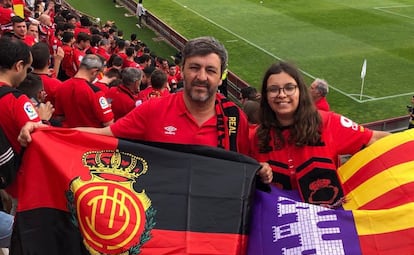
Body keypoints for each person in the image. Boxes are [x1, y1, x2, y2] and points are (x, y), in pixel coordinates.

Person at [19, 36, 273, 183]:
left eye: (210, 70)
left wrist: (263, 168)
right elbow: (104, 135)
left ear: (221, 77)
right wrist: (46, 132)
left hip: (213, 223)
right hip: (164, 220)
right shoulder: (154, 109)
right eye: (195, 68)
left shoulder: (233, 117)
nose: (201, 77)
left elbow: (250, 161)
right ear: (182, 70)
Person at [249, 61, 390, 207]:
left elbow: (373, 138)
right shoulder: (255, 137)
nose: (282, 94)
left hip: (327, 222)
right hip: (282, 223)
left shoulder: (328, 123)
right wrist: (258, 170)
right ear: (265, 95)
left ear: (300, 91)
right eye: (273, 89)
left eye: (289, 88)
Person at [53, 54, 114, 128]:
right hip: (90, 136)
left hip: (69, 134)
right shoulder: (95, 92)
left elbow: (59, 117)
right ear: (94, 71)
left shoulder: (61, 86)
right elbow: (108, 123)